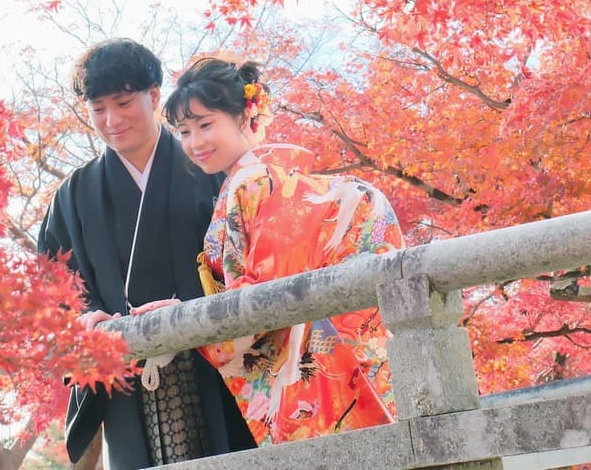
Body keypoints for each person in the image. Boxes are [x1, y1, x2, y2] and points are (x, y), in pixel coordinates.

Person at [155, 55, 405, 446]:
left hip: (323, 356)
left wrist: (184, 319)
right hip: (344, 348)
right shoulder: (260, 179)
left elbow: (257, 303)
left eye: (206, 125)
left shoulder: (254, 181)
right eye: (184, 132)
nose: (195, 142)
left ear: (245, 115)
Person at [38, 39, 255, 469]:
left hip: (219, 364)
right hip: (127, 378)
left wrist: (194, 306)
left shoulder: (209, 164)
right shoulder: (74, 195)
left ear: (153, 96)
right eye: (98, 109)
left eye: (122, 103)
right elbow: (57, 285)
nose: (111, 120)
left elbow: (249, 255)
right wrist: (85, 316)